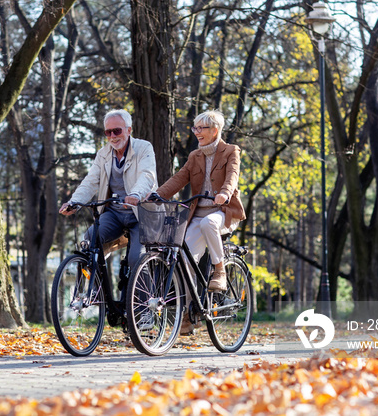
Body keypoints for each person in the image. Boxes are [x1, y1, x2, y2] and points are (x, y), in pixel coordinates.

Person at [154, 110, 246, 334]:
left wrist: (224, 192)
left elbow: (232, 176)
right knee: (184, 258)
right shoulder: (195, 156)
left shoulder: (231, 151)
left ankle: (219, 271)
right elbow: (179, 178)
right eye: (194, 128)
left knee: (209, 225)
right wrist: (157, 195)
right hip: (199, 213)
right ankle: (188, 311)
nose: (196, 133)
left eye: (200, 128)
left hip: (224, 213)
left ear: (214, 130)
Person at [59, 109, 158, 272]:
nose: (112, 136)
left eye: (117, 131)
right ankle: (97, 292)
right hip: (115, 214)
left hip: (141, 213)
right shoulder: (103, 154)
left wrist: (135, 194)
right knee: (90, 238)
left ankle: (143, 297)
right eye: (108, 132)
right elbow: (90, 181)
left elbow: (147, 175)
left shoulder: (143, 148)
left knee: (137, 260)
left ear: (129, 130)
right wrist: (74, 202)